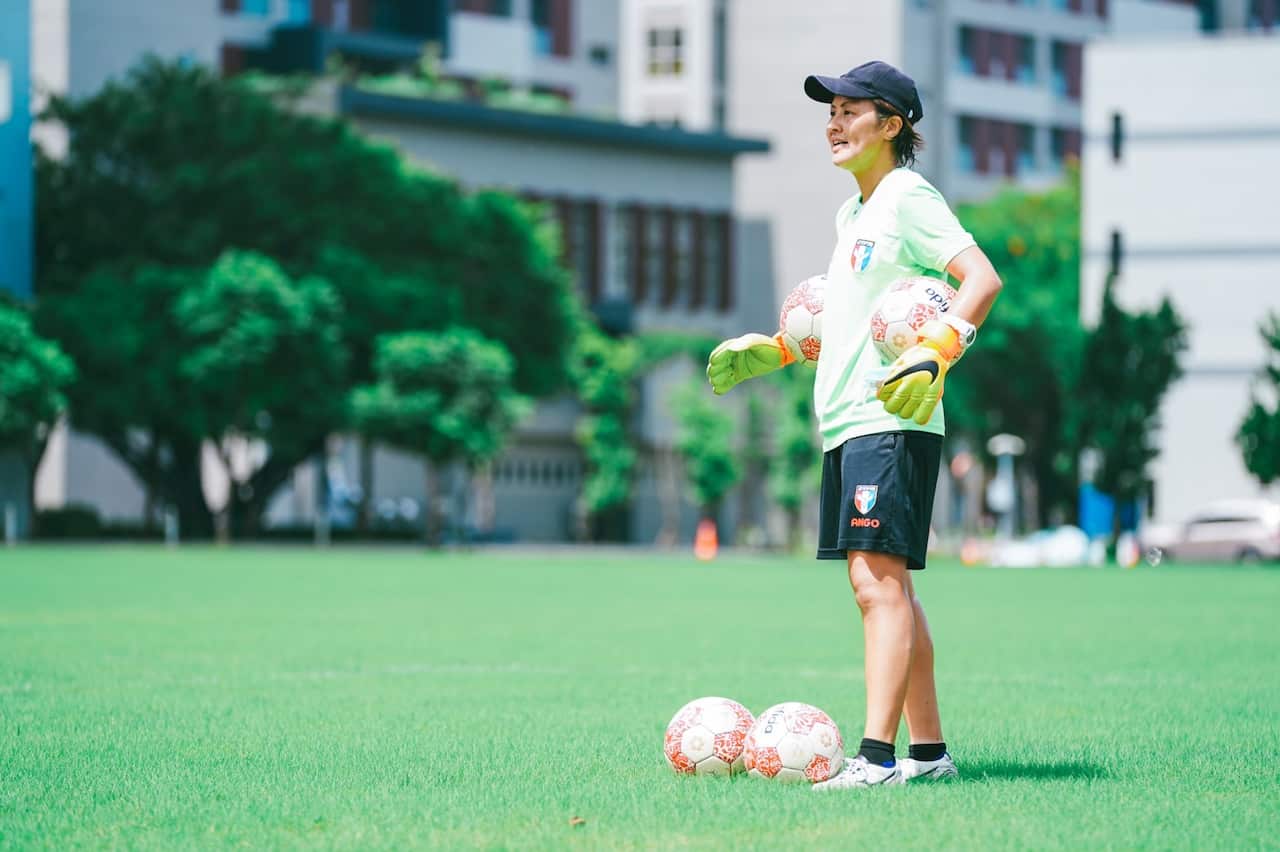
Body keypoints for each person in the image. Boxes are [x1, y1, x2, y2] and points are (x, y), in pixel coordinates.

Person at [706, 60, 1002, 789]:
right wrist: (777, 349)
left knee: (877, 587)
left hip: (889, 419)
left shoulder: (906, 196)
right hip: (847, 423)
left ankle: (874, 760)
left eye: (850, 110)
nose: (833, 124)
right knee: (888, 587)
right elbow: (846, 317)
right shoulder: (854, 214)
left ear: (893, 124)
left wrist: (939, 351)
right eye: (828, 112)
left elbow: (982, 279)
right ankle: (928, 757)